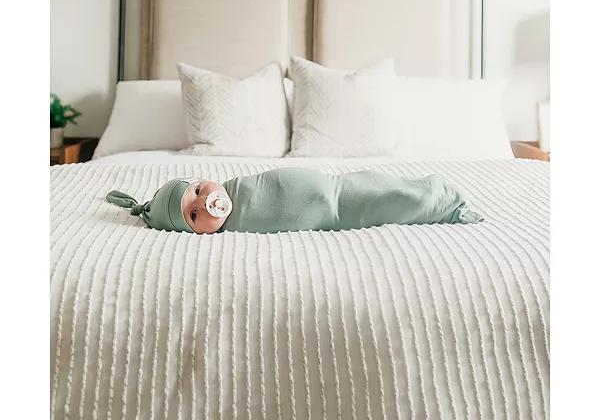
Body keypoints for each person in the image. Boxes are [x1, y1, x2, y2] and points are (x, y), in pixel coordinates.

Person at [106, 167, 483, 234]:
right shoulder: (232, 228)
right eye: (193, 215)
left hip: (337, 186)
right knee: (391, 201)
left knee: (380, 184)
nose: (205, 204)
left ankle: (439, 193)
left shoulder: (231, 188)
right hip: (338, 213)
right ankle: (447, 205)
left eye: (198, 191)